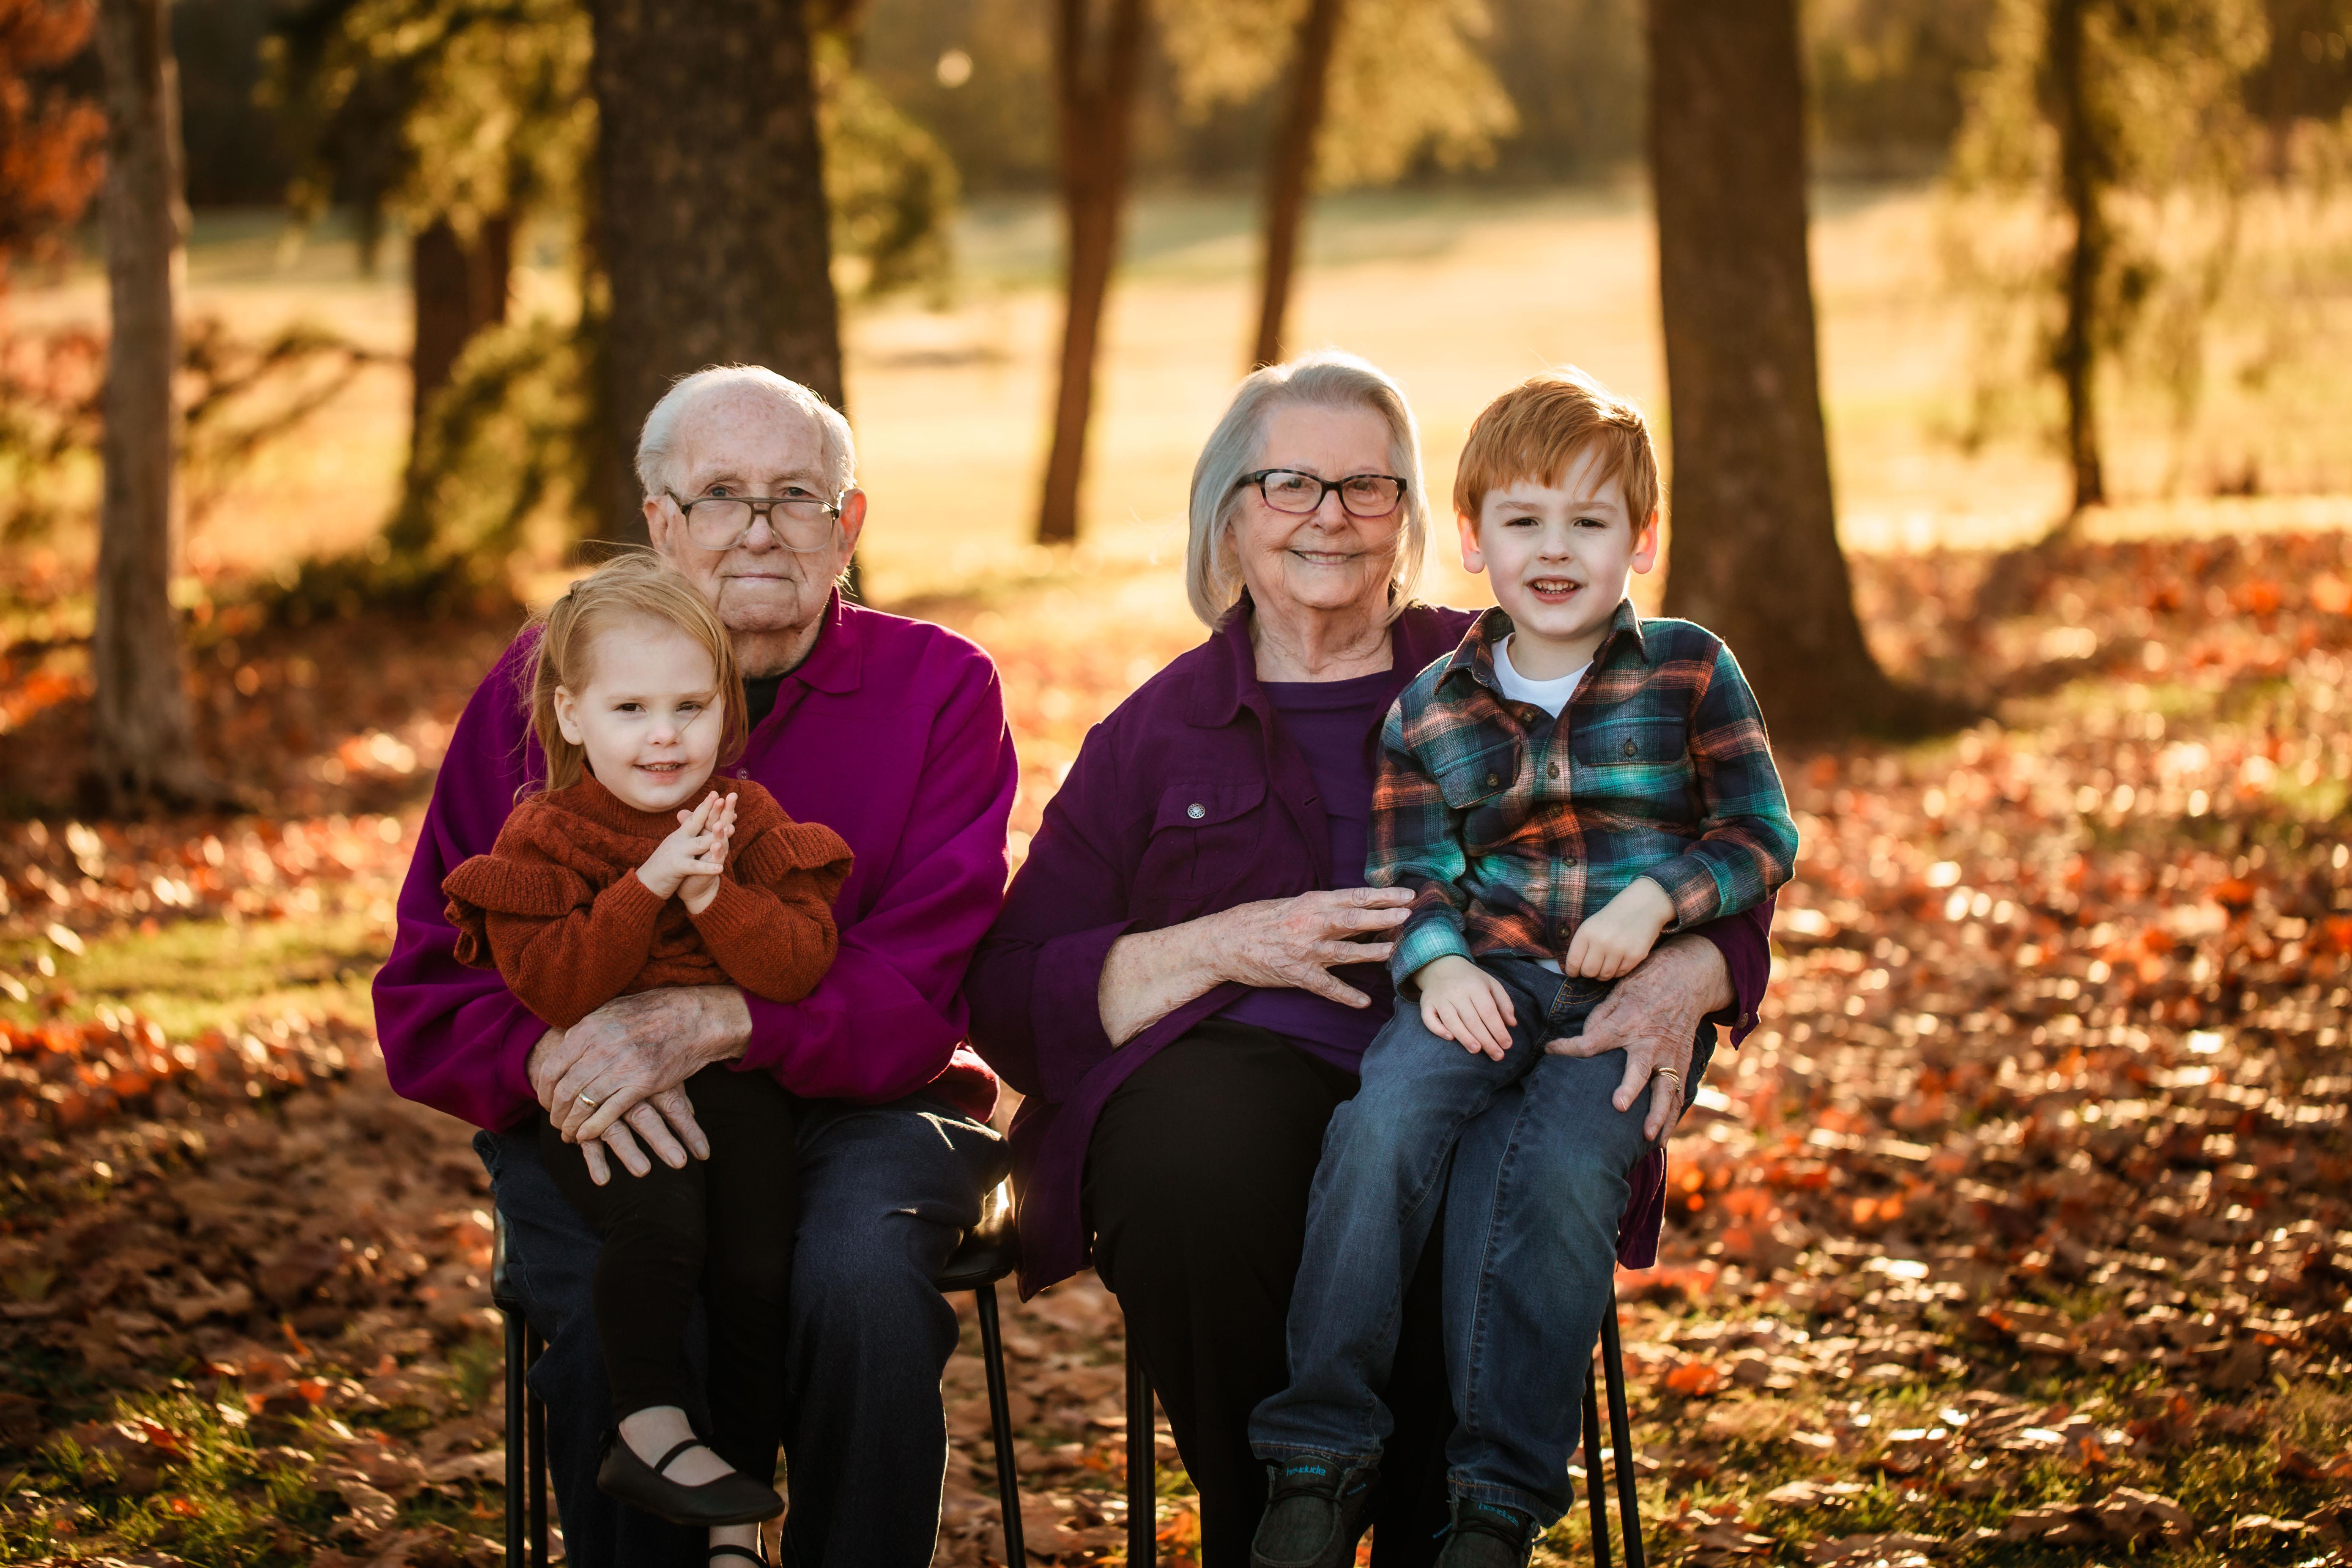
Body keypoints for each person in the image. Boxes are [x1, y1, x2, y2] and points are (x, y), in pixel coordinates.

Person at [964, 353, 1778, 1568]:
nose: (1329, 516)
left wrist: (1683, 976)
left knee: (1469, 1161)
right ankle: (1276, 1518)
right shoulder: (1154, 732)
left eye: (1365, 486)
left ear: (1412, 517)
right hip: (1238, 1092)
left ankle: (1443, 1526)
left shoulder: (1505, 665)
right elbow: (1013, 994)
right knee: (1188, 1158)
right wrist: (1219, 944)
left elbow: (1715, 855)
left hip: (1497, 1054)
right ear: (1227, 511)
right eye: (1290, 482)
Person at [374, 365, 1018, 1568]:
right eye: (721, 494)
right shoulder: (546, 686)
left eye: (796, 496)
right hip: (602, 1103)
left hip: (861, 1105)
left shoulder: (939, 689)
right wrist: (553, 1053)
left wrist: (722, 1021)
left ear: (850, 526)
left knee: (861, 1276)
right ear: (660, 522)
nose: (762, 528)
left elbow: (920, 982)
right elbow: (426, 989)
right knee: (609, 1299)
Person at [1247, 369, 1800, 1568]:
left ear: (1639, 540)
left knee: (1557, 1177)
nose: (1555, 550)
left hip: (1618, 1004)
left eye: (1589, 522)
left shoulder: (1690, 671)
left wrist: (1659, 899)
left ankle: (1494, 1499)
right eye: (1524, 520)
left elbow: (1762, 834)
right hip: (1480, 986)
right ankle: (1318, 1453)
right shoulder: (1430, 708)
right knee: (1379, 1125)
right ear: (1470, 537)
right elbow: (1412, 874)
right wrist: (1434, 965)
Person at [441, 554, 858, 1563]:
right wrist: (651, 887)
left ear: (726, 710)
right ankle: (650, 1426)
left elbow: (799, 964)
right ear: (573, 716)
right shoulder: (542, 836)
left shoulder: (743, 820)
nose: (664, 734)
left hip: (736, 1087)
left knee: (761, 1266)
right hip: (605, 1097)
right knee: (661, 1226)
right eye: (630, 708)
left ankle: (735, 1511)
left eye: (690, 705)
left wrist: (716, 897)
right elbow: (556, 986)